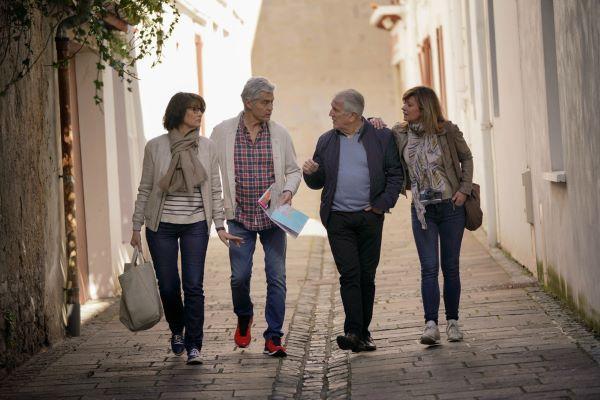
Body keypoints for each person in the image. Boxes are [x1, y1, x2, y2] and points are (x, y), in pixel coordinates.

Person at [131, 92, 242, 365]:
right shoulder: (155, 146)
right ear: (178, 112)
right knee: (168, 287)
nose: (198, 114)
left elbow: (214, 189)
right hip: (161, 227)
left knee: (194, 286)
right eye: (193, 109)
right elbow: (145, 188)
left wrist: (219, 225)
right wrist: (136, 226)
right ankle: (176, 330)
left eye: (201, 110)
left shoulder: (207, 147)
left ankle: (194, 344)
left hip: (195, 225)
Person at [303, 89, 403, 352]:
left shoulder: (381, 137)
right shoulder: (326, 141)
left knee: (366, 276)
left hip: (370, 217)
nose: (330, 114)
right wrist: (311, 174)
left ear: (353, 115)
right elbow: (318, 181)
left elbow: (395, 175)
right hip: (338, 220)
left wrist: (382, 204)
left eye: (335, 110)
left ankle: (362, 332)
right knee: (350, 274)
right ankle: (353, 331)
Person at [210, 77, 301, 357]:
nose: (270, 107)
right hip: (239, 218)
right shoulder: (222, 132)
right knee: (239, 278)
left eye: (272, 102)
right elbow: (213, 179)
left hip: (275, 217)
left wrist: (287, 191)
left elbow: (294, 171)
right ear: (248, 102)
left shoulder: (280, 133)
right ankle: (244, 315)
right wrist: (218, 222)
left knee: (277, 277)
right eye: (265, 102)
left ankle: (274, 336)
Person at [378, 86, 473, 345]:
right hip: (422, 210)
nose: (404, 108)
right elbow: (379, 133)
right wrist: (372, 122)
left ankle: (452, 321)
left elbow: (467, 158)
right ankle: (430, 325)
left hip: (451, 207)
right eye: (404, 104)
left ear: (424, 107)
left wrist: (464, 190)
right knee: (428, 267)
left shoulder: (448, 131)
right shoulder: (400, 133)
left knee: (450, 267)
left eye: (409, 104)